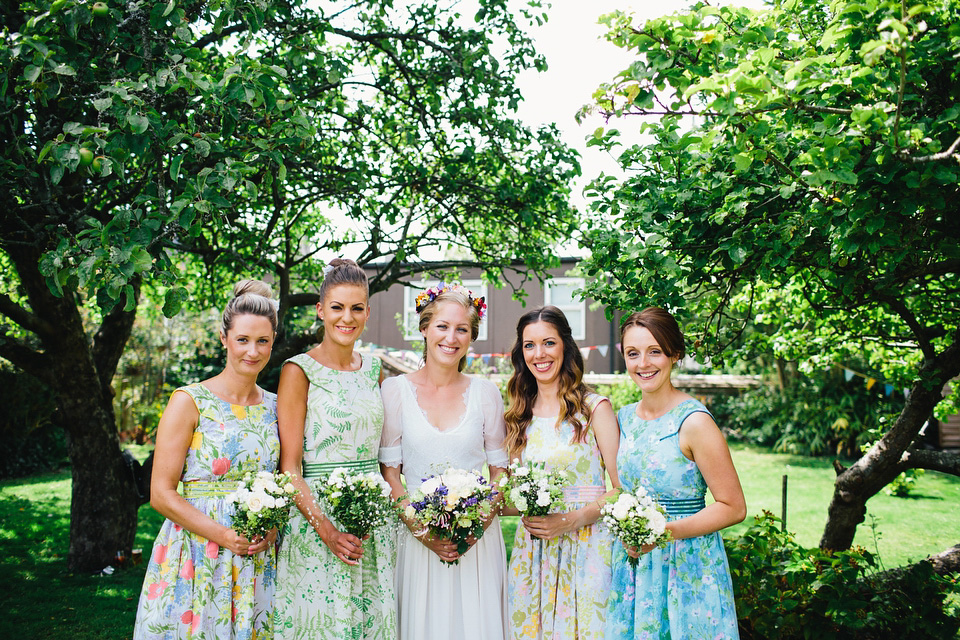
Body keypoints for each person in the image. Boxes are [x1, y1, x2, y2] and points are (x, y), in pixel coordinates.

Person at [134, 279, 280, 640]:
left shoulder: (278, 407)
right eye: (243, 339)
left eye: (263, 341)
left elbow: (286, 480)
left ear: (273, 341)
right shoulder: (189, 401)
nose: (253, 351)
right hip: (197, 553)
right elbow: (161, 493)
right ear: (224, 338)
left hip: (258, 558)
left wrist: (274, 526)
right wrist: (225, 536)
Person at [273, 259, 396, 640]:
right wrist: (327, 531)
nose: (347, 317)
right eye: (338, 307)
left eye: (357, 308)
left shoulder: (374, 370)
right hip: (317, 524)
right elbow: (290, 467)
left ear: (368, 312)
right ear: (321, 309)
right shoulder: (299, 371)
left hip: (373, 524)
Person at [606, 307, 746, 639]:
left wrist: (664, 533)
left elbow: (733, 507)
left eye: (655, 351)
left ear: (675, 354)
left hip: (687, 566)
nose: (644, 363)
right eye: (633, 353)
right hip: (635, 569)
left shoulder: (694, 422)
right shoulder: (622, 419)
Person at [379, 283, 508, 640]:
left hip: (477, 541)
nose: (451, 338)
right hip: (418, 538)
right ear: (424, 328)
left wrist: (479, 522)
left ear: (471, 337)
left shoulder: (486, 393)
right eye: (442, 326)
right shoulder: (394, 392)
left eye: (462, 329)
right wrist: (421, 531)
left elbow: (500, 470)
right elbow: (389, 474)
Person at [502, 306, 620, 639]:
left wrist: (570, 520)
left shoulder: (595, 409)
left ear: (565, 346)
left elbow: (621, 489)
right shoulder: (518, 416)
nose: (539, 354)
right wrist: (470, 504)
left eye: (548, 343)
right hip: (534, 552)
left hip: (588, 546)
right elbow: (513, 497)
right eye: (529, 345)